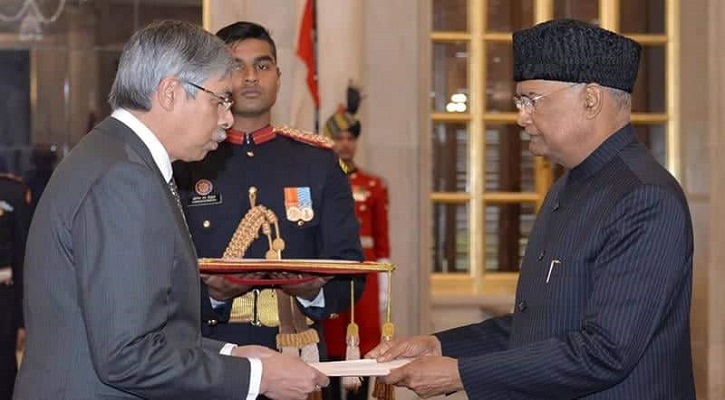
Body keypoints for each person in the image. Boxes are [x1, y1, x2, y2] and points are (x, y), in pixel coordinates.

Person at [367, 18, 695, 399]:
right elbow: (539, 326)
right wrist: (440, 346)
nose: (521, 117)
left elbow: (605, 352)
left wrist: (461, 375)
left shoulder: (644, 198)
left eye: (531, 100)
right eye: (519, 102)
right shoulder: (566, 188)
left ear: (591, 99)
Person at [14, 20, 327, 400]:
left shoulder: (116, 157)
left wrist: (234, 356)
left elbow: (146, 329)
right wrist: (257, 378)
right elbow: (127, 355)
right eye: (219, 100)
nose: (228, 118)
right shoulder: (124, 178)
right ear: (171, 93)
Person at [173, 20, 364, 388]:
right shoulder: (187, 162)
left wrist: (313, 291)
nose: (250, 77)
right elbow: (158, 277)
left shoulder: (318, 162)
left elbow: (351, 272)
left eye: (262, 65)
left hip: (297, 355)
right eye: (236, 66)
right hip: (210, 358)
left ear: (278, 76)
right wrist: (211, 297)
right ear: (216, 78)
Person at [322, 86, 391, 399]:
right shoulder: (321, 184)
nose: (345, 144)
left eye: (350, 138)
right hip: (332, 272)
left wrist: (383, 284)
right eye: (339, 138)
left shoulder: (373, 185)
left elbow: (382, 238)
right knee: (332, 346)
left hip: (365, 275)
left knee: (362, 348)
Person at [0, 173, 30, 400]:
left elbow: (22, 257)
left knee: (4, 373)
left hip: (4, 303)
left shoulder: (11, 192)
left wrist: (22, 320)